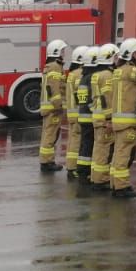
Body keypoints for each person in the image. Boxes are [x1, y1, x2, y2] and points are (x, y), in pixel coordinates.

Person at [107, 38, 136, 199]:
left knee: (118, 154)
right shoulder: (129, 71)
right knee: (124, 155)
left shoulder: (118, 70)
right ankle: (121, 187)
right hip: (126, 122)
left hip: (120, 121)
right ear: (130, 54)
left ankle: (116, 184)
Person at [86, 42, 119, 194]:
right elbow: (107, 98)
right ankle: (100, 180)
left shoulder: (96, 75)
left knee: (98, 148)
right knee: (104, 150)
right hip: (104, 119)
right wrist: (109, 119)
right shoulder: (107, 76)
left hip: (97, 117)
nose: (118, 59)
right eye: (116, 57)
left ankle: (95, 177)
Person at [66, 46, 98, 182]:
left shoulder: (72, 73)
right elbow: (81, 95)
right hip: (79, 112)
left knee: (73, 140)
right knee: (78, 142)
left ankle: (72, 167)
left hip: (72, 111)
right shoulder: (80, 74)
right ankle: (74, 168)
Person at [38, 40, 68, 173]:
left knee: (48, 134)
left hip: (48, 107)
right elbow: (53, 88)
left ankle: (47, 160)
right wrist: (58, 105)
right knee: (50, 135)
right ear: (57, 52)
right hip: (53, 108)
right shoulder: (55, 67)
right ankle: (46, 162)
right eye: (62, 51)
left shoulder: (50, 66)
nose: (64, 53)